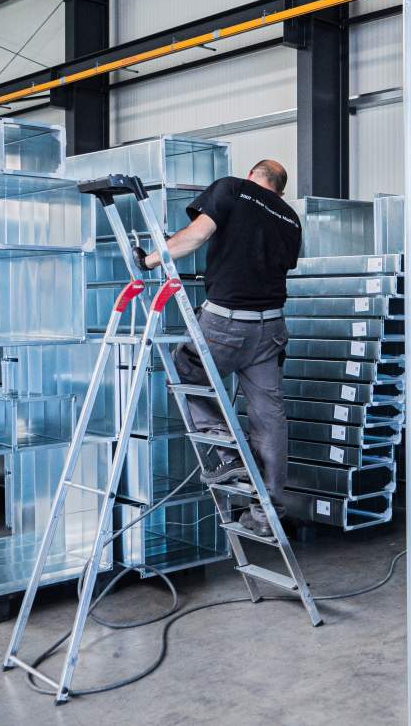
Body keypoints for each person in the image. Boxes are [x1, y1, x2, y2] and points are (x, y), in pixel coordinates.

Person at [135, 158, 300, 537]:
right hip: (271, 328)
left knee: (183, 373)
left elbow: (196, 236)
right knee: (269, 418)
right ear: (280, 190)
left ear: (251, 175)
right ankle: (267, 517)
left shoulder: (232, 188)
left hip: (227, 323)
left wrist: (149, 259)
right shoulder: (290, 218)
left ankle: (230, 454)